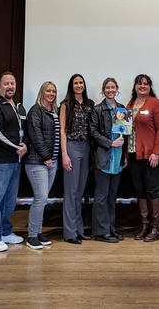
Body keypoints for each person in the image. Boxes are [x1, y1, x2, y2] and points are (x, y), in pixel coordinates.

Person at [0, 71, 28, 252]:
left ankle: (5, 232)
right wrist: (15, 147)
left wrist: (25, 145)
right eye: (6, 83)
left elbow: (25, 131)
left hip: (16, 160)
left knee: (9, 200)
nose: (10, 86)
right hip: (0, 160)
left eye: (12, 83)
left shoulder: (20, 107)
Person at [126, 74, 159, 242]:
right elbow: (125, 132)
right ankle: (144, 226)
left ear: (150, 87)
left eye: (146, 84)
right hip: (134, 155)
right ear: (135, 86)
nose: (142, 86)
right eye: (139, 83)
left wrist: (156, 152)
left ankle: (155, 228)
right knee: (141, 191)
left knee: (153, 191)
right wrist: (125, 155)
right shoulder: (129, 105)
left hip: (153, 156)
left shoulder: (155, 104)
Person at [89, 78, 127, 243]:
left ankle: (111, 228)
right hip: (103, 158)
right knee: (101, 196)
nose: (110, 90)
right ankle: (100, 231)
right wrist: (110, 143)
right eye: (107, 87)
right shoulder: (97, 109)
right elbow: (93, 132)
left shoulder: (123, 109)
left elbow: (127, 133)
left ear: (117, 89)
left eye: (113, 87)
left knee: (112, 196)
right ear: (103, 90)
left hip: (117, 158)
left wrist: (125, 154)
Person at [23, 81, 60, 250]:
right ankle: (31, 235)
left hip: (52, 162)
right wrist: (46, 156)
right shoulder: (35, 110)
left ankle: (38, 232)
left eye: (53, 91)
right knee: (40, 198)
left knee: (42, 199)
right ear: (42, 92)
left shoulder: (55, 111)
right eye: (48, 91)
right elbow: (35, 134)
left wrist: (52, 158)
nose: (51, 94)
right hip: (37, 161)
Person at [60, 73, 94, 244]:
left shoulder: (90, 105)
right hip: (72, 148)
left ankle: (79, 229)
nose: (79, 85)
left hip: (86, 148)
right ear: (71, 86)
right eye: (75, 83)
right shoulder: (66, 105)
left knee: (80, 192)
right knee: (71, 191)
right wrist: (64, 154)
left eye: (81, 82)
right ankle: (69, 232)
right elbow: (63, 131)